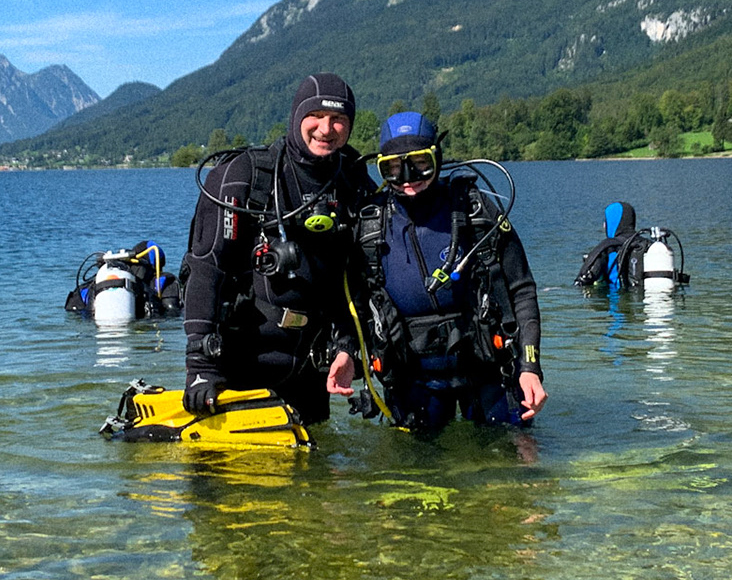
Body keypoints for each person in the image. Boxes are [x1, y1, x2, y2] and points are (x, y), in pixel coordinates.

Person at [181, 73, 376, 424]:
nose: (326, 129)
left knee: (311, 474)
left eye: (339, 120)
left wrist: (348, 348)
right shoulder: (244, 176)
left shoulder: (355, 183)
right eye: (315, 116)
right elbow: (207, 269)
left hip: (308, 367)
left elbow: (357, 279)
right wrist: (200, 365)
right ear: (296, 115)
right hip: (239, 362)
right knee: (224, 476)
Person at [354, 112, 547, 430]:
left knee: (516, 460)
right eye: (392, 168)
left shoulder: (475, 211)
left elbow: (521, 288)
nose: (408, 178)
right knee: (412, 471)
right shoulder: (370, 226)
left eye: (420, 163)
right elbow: (353, 303)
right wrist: (346, 353)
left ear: (437, 157)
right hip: (413, 378)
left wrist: (529, 365)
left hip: (487, 370)